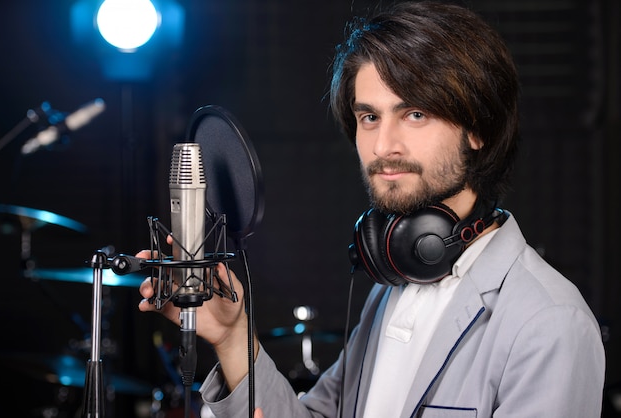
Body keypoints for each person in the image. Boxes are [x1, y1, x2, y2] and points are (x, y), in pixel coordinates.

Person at [137, 1, 606, 417]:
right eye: (369, 117)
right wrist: (233, 336)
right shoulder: (392, 287)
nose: (383, 146)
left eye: (416, 113)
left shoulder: (549, 325)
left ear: (477, 128)